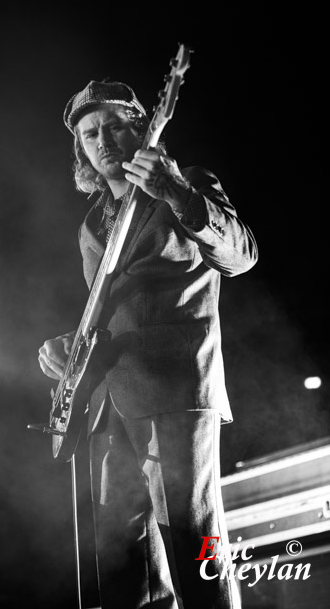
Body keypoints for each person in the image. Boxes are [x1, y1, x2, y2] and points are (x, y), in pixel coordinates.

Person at [38, 79, 258, 608]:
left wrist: (175, 190)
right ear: (82, 151)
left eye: (115, 125)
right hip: (112, 402)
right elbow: (108, 316)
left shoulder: (188, 183)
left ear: (145, 127)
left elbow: (242, 253)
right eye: (91, 133)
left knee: (191, 538)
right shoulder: (92, 225)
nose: (103, 139)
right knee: (124, 562)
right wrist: (68, 347)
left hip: (176, 386)